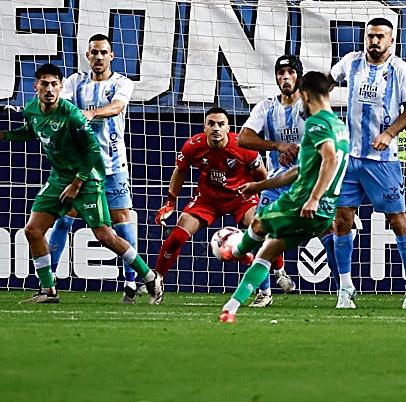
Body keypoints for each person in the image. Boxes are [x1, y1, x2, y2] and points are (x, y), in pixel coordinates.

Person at [0, 63, 158, 304]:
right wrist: (5, 135)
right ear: (36, 87)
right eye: (44, 84)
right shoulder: (32, 109)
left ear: (61, 87)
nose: (50, 89)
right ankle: (48, 290)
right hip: (58, 178)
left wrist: (76, 183)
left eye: (55, 84)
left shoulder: (72, 115)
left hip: (86, 180)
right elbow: (33, 131)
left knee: (105, 236)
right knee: (32, 231)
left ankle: (149, 277)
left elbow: (93, 151)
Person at [218, 70, 349, 323]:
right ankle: (230, 308)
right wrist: (259, 186)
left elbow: (330, 158)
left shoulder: (316, 122)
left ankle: (235, 251)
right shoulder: (340, 126)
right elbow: (299, 169)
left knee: (257, 223)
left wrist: (313, 198)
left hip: (302, 204)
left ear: (306, 94)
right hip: (325, 213)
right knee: (267, 251)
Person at [330, 17, 406, 310]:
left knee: (398, 220)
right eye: (370, 36)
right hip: (349, 159)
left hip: (383, 160)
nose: (374, 41)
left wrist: (389, 133)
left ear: (391, 40)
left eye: (381, 36)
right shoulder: (350, 62)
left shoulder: (400, 70)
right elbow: (327, 84)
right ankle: (345, 288)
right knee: (341, 220)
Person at [43, 35, 140, 302]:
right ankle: (48, 286)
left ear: (112, 56)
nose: (98, 57)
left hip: (112, 165)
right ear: (88, 55)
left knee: (121, 222)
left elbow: (118, 107)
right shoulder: (76, 81)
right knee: (64, 218)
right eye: (94, 52)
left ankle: (132, 284)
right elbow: (59, 107)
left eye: (103, 52)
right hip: (80, 168)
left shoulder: (122, 83)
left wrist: (91, 113)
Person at [149, 107, 266, 305]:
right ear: (205, 126)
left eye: (221, 124)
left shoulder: (244, 146)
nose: (216, 128)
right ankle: (157, 279)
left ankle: (265, 289)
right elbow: (180, 170)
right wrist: (170, 201)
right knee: (177, 235)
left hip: (241, 198)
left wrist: (264, 201)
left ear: (228, 127)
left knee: (260, 229)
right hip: (207, 199)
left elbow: (262, 175)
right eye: (211, 124)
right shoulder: (193, 145)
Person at [236, 55, 307, 306]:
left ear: (299, 76)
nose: (285, 77)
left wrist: (299, 148)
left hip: (306, 183)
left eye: (290, 72)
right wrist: (278, 144)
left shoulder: (308, 107)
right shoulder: (267, 106)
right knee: (259, 228)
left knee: (331, 231)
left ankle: (345, 288)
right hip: (276, 183)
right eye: (281, 73)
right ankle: (264, 292)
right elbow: (243, 139)